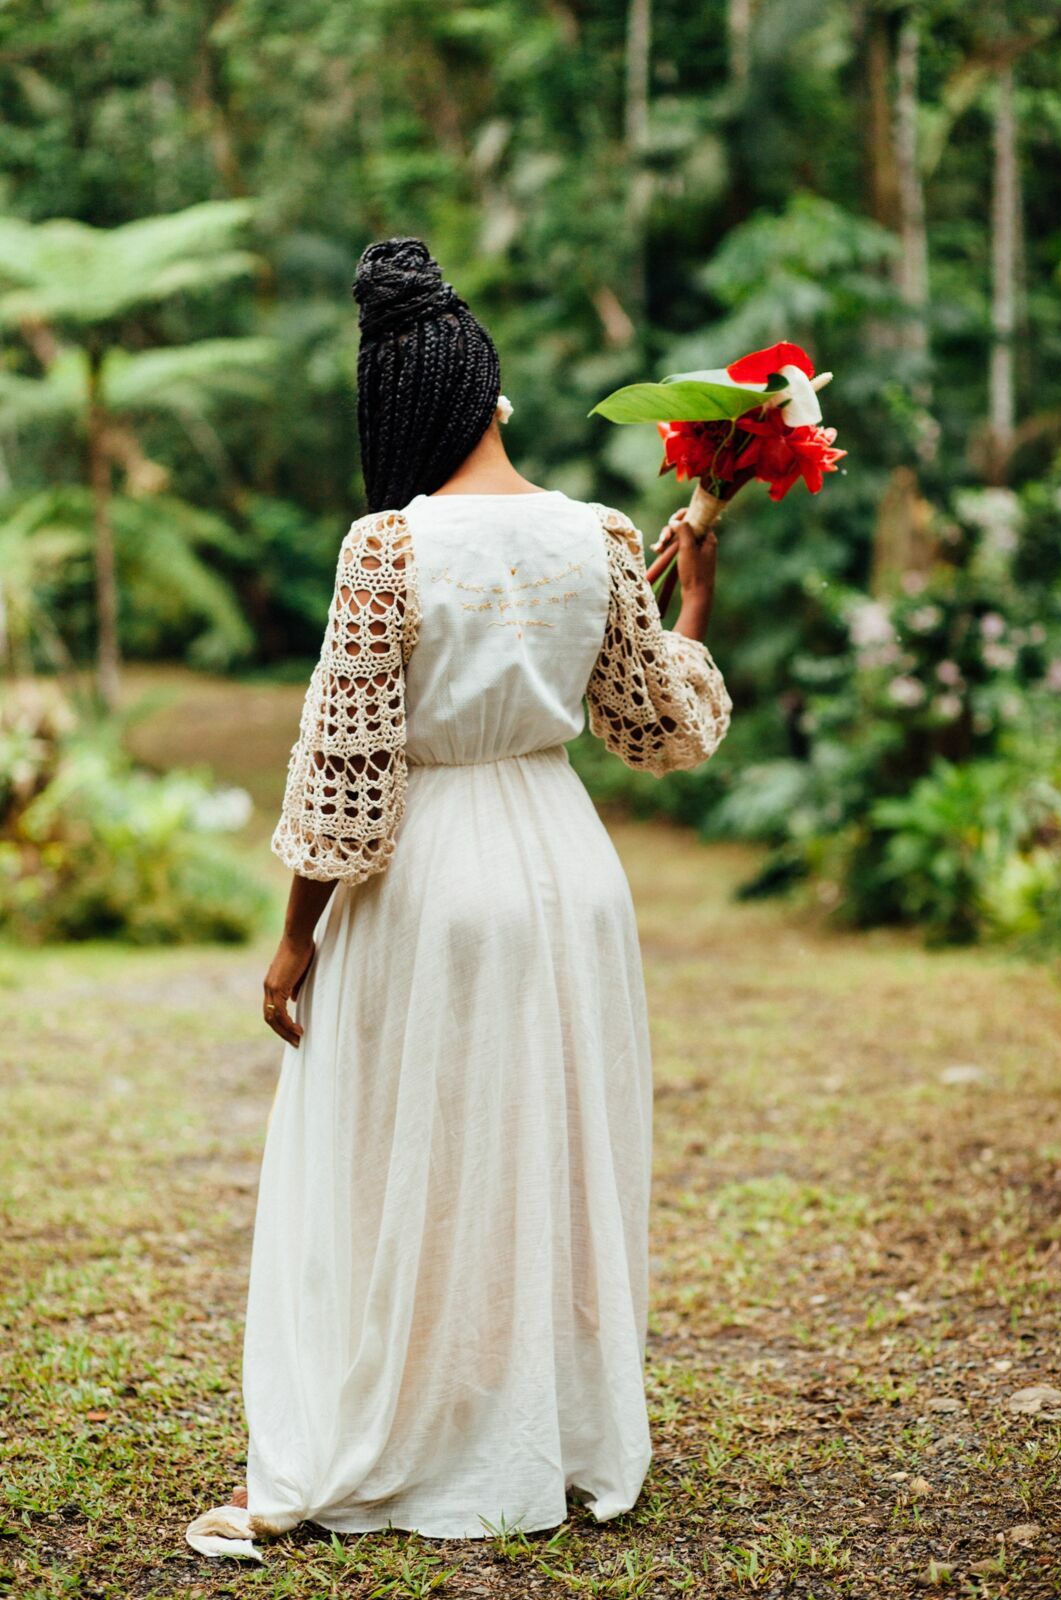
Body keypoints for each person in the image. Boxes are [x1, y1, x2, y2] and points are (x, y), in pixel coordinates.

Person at [187, 236, 730, 1558]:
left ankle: (411, 1428)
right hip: (567, 871)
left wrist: (290, 944)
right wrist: (696, 598)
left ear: (398, 411)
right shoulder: (598, 536)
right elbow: (660, 729)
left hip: (434, 886)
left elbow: (345, 770)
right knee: (540, 1153)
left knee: (408, 1162)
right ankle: (544, 1426)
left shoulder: (385, 550)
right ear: (492, 397)